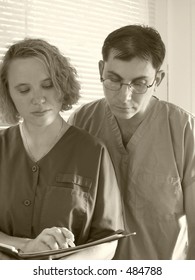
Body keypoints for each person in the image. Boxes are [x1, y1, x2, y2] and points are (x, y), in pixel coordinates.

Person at [68, 24, 195, 260]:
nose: (124, 96)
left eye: (139, 83)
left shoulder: (185, 131)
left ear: (158, 79)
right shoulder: (81, 122)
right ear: (101, 69)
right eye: (114, 80)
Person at [0, 38, 124, 260]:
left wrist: (59, 271)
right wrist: (26, 245)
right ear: (9, 94)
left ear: (62, 85)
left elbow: (108, 240)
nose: (38, 99)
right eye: (24, 90)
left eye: (47, 85)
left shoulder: (93, 152)